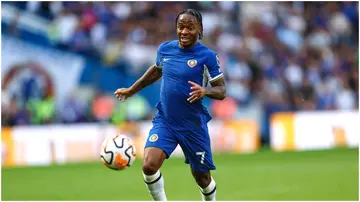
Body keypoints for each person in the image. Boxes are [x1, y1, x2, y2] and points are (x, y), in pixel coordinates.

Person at [114, 8, 226, 201]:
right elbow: (156, 71)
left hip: (193, 125)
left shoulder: (207, 56)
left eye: (190, 27)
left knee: (202, 178)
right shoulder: (165, 49)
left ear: (199, 29)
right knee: (149, 165)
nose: (184, 32)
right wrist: (131, 90)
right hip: (165, 120)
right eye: (181, 27)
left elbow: (221, 90)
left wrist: (205, 90)